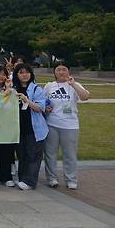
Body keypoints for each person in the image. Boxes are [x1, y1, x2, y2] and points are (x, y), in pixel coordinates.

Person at [43, 62, 90, 190]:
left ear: (68, 71)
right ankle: (52, 178)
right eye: (58, 70)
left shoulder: (75, 85)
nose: (61, 72)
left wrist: (73, 84)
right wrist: (46, 107)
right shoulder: (49, 86)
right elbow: (43, 101)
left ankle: (71, 179)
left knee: (70, 154)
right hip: (52, 124)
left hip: (70, 125)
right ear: (54, 72)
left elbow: (85, 97)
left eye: (64, 69)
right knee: (50, 153)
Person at [12, 63, 49, 190]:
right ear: (16, 74)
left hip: (34, 128)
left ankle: (30, 181)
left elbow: (40, 108)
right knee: (22, 155)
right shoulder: (12, 89)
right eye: (21, 72)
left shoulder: (36, 89)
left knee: (33, 155)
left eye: (27, 72)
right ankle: (23, 178)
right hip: (18, 129)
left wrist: (27, 100)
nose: (24, 75)